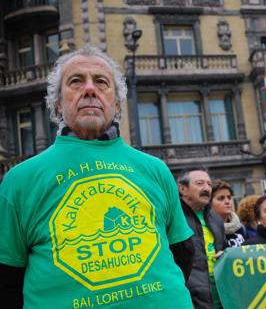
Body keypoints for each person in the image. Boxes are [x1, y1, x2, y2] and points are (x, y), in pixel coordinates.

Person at [0, 46, 194, 308]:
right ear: (57, 103)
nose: (90, 89)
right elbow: (7, 282)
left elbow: (182, 253)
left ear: (116, 103)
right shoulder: (19, 180)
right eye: (76, 81)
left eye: (101, 82)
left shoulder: (155, 169)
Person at [178, 167, 226, 309]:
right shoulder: (173, 219)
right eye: (200, 183)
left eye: (209, 184)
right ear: (183, 189)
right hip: (190, 301)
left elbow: (223, 248)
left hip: (220, 297)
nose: (206, 188)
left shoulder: (216, 219)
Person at [210, 180, 247, 247]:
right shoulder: (207, 230)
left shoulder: (241, 227)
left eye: (229, 198)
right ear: (209, 203)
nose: (227, 201)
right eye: (221, 198)